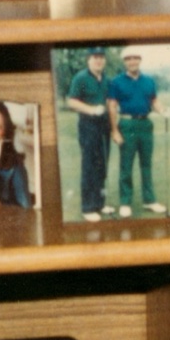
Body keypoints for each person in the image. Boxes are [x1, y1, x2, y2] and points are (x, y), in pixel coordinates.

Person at [106, 50, 166, 218]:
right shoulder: (116, 82)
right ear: (125, 62)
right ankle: (125, 202)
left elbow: (154, 100)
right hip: (126, 124)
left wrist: (162, 110)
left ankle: (150, 200)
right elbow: (111, 106)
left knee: (146, 164)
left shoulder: (149, 81)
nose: (132, 62)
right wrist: (115, 130)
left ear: (140, 60)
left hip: (146, 124)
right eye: (128, 59)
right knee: (126, 165)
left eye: (135, 58)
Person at [65, 48, 112, 222]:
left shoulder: (105, 78)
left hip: (104, 126)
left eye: (101, 58)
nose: (98, 61)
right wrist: (91, 110)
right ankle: (88, 207)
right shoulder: (81, 77)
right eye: (95, 58)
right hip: (88, 126)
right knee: (89, 166)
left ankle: (99, 203)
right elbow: (71, 101)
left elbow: (108, 100)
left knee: (102, 166)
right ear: (88, 60)